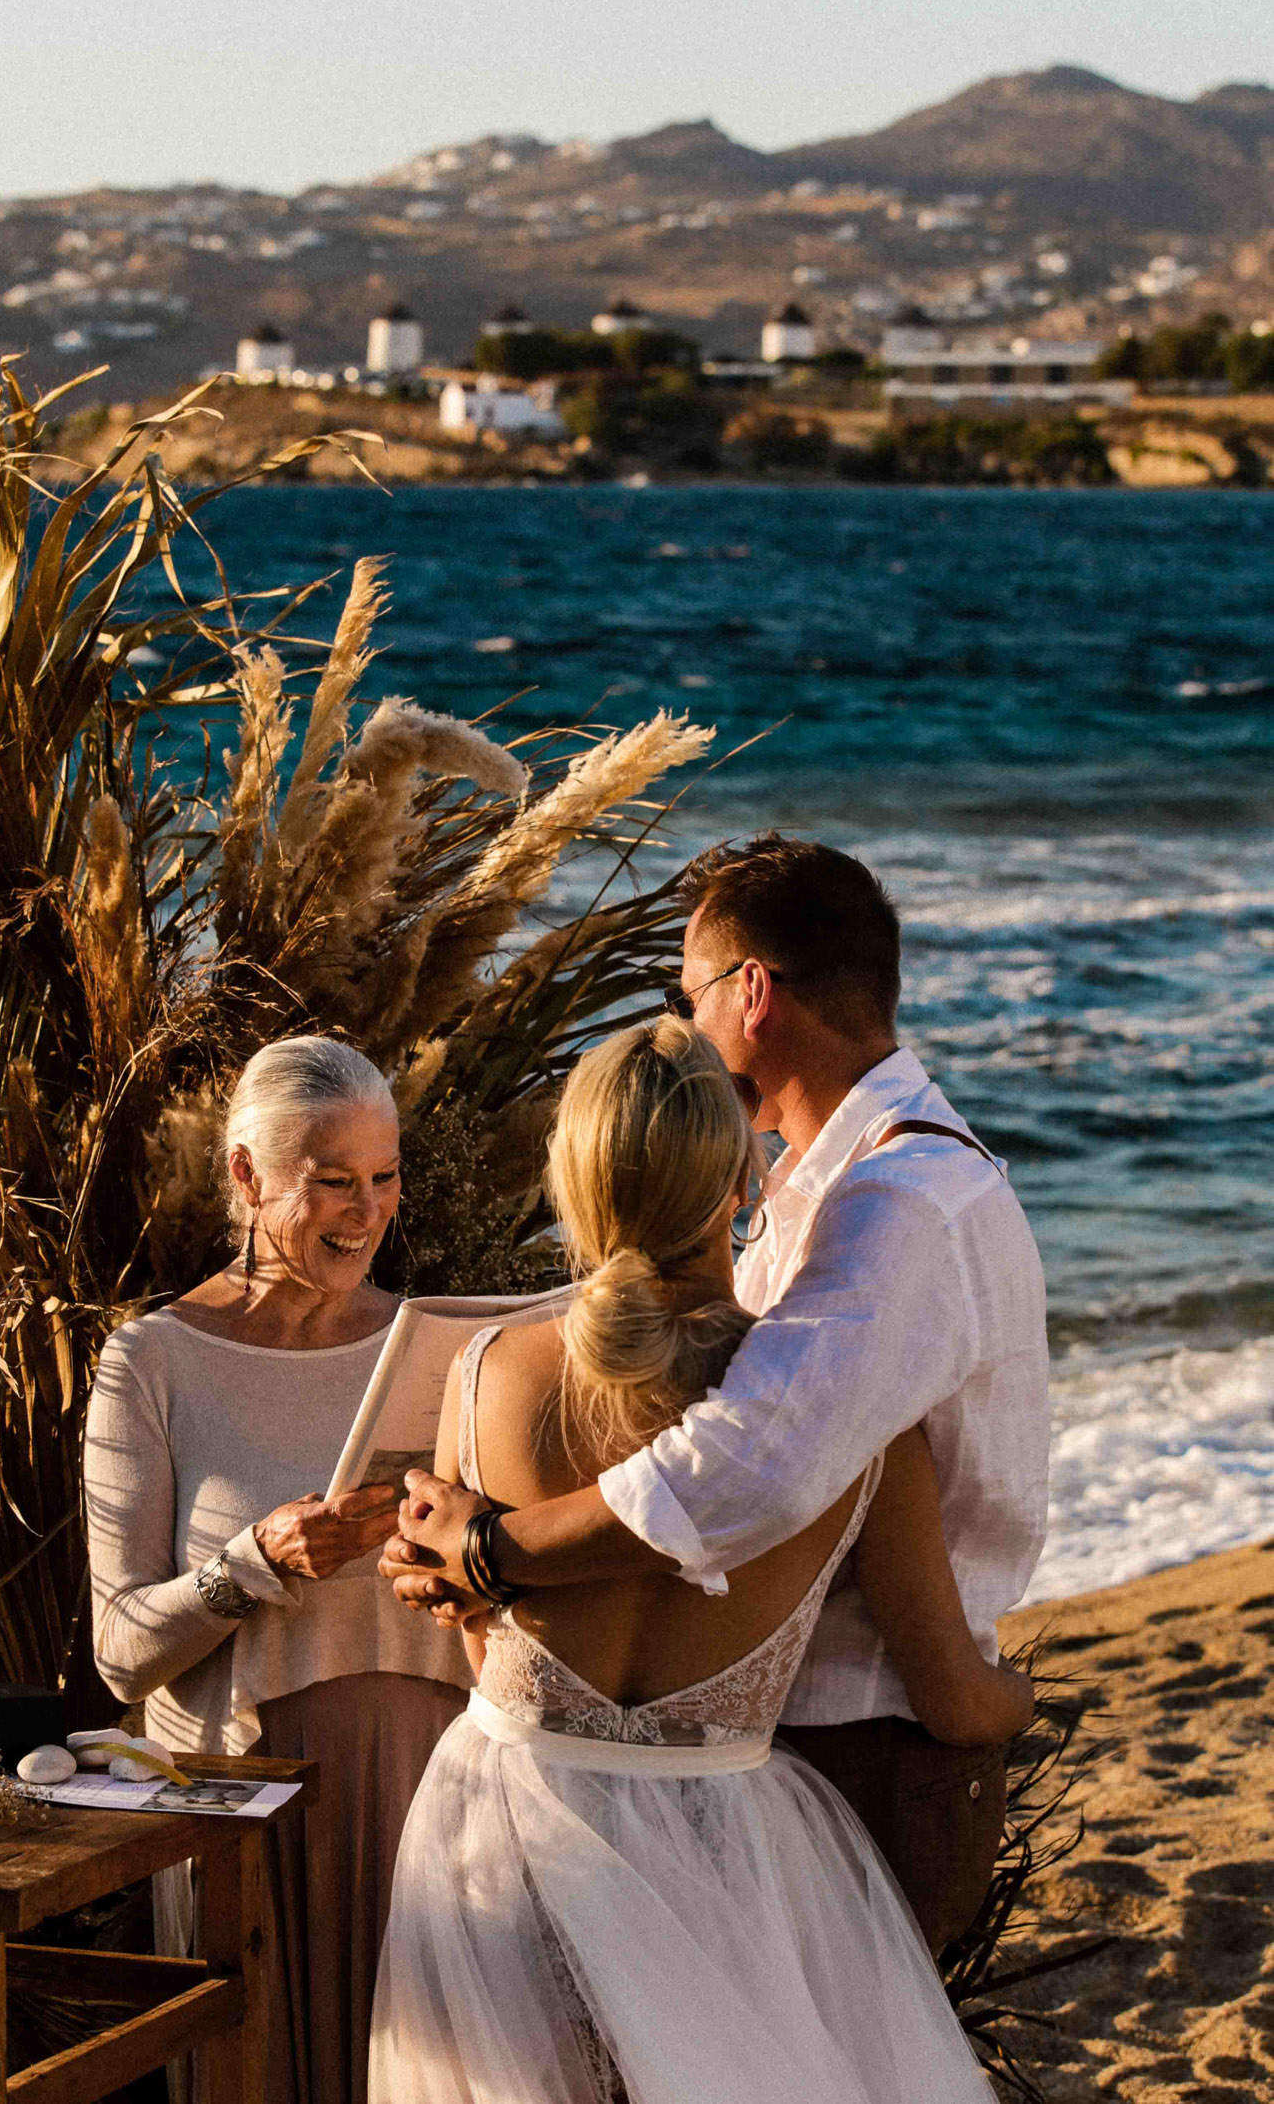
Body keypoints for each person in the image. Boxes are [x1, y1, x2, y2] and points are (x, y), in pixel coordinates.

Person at [384, 833, 1050, 1951]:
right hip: (783, 1743)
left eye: (683, 993)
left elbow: (754, 1463)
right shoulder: (832, 1186)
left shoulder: (893, 1207)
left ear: (751, 992)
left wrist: (494, 1554)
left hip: (870, 1749)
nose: (682, 1026)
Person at [85, 1037, 469, 2104]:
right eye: (333, 1182)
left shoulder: (439, 1347)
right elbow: (120, 1652)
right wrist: (251, 1562)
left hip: (436, 1795)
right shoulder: (154, 1362)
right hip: (242, 1810)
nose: (368, 1210)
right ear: (248, 1177)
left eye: (386, 1178)